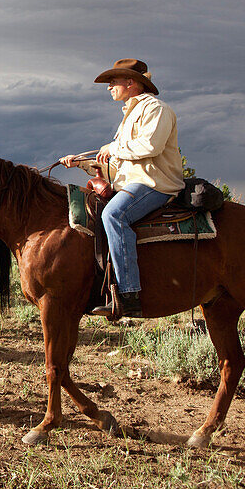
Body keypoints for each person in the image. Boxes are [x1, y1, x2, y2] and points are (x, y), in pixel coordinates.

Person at [59, 58, 184, 317]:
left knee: (114, 215)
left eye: (113, 81)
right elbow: (117, 167)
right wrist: (82, 164)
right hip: (133, 182)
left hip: (155, 184)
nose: (109, 87)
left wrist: (111, 147)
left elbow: (150, 147)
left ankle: (128, 294)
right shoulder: (128, 116)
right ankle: (101, 286)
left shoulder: (156, 109)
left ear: (131, 82)